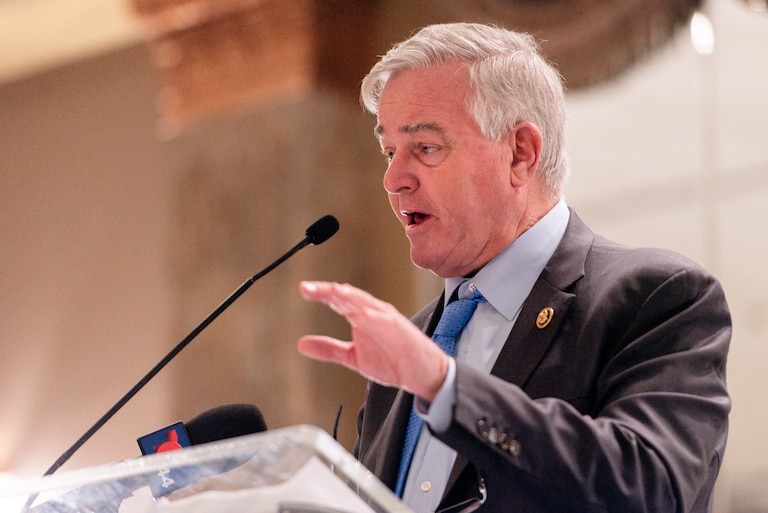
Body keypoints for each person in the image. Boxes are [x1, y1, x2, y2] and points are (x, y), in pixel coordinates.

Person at [297, 23, 730, 513]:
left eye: (426, 148)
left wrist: (447, 386)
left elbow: (653, 491)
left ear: (520, 153)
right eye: (390, 152)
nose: (394, 179)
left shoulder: (655, 297)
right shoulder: (411, 347)